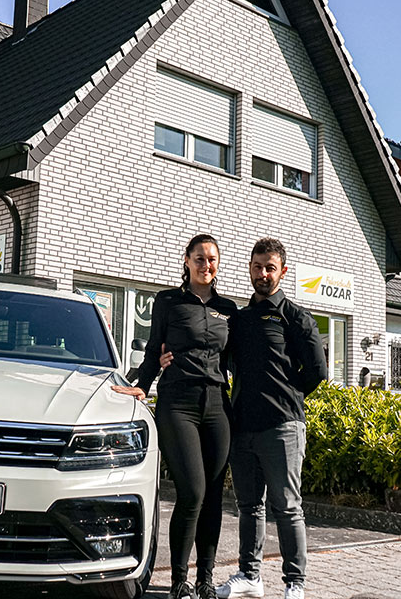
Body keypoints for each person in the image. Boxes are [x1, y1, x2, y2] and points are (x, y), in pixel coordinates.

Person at [112, 234, 237, 599]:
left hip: (217, 406)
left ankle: (205, 580)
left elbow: (237, 358)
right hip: (178, 403)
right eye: (199, 258)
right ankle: (179, 581)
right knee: (192, 492)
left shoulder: (228, 308)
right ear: (186, 260)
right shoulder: (168, 301)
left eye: (212, 259)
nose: (206, 265)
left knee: (213, 497)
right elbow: (154, 350)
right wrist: (142, 385)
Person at [215, 238, 328, 599]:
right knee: (249, 506)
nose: (262, 273)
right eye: (257, 266)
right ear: (249, 268)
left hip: (282, 427)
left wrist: (286, 396)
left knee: (287, 507)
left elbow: (318, 372)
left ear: (283, 271)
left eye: (270, 267)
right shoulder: (239, 319)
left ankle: (295, 583)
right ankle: (250, 576)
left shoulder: (296, 317)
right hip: (242, 427)